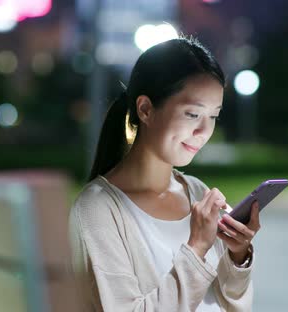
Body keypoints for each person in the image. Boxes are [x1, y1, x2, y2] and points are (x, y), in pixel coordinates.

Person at [68, 36, 260, 312]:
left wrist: (238, 255)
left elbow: (232, 303)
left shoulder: (195, 191)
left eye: (213, 116)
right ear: (145, 109)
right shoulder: (97, 209)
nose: (204, 132)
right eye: (193, 114)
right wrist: (196, 249)